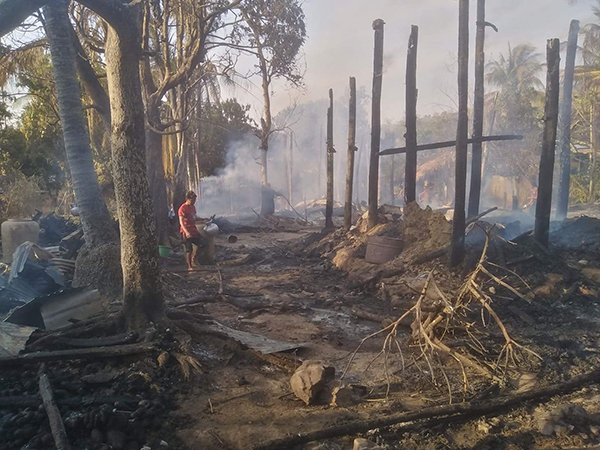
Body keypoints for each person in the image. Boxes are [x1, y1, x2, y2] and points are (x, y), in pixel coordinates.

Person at [178, 191, 205, 271]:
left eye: (195, 200)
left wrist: (203, 219)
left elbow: (194, 217)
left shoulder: (193, 207)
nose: (194, 202)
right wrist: (186, 232)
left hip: (193, 230)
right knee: (189, 249)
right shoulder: (182, 208)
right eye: (193, 200)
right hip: (186, 231)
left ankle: (194, 258)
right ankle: (190, 266)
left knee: (203, 244)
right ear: (188, 199)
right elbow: (181, 222)